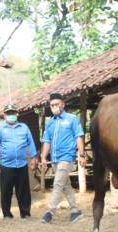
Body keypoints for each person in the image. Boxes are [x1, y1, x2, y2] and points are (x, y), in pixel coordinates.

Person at [40, 93, 86, 224]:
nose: (54, 107)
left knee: (58, 183)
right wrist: (43, 157)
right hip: (54, 159)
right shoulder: (50, 123)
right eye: (52, 105)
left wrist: (81, 155)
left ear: (63, 104)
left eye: (56, 104)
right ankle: (75, 211)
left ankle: (50, 212)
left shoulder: (72, 119)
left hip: (67, 157)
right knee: (66, 185)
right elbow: (47, 141)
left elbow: (78, 137)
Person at [0, 104, 37, 219]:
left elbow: (30, 143)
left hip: (21, 164)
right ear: (4, 115)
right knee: (6, 190)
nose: (11, 115)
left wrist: (33, 158)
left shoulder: (24, 127)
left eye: (13, 113)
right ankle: (7, 214)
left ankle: (25, 213)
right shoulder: (0, 129)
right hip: (6, 165)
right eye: (8, 113)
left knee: (23, 190)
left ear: (17, 114)